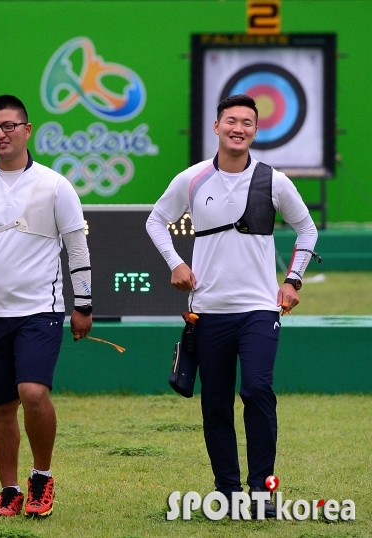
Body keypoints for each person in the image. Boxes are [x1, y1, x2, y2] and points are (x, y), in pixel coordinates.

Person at [146, 94, 318, 517]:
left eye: (247, 123)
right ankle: (228, 492)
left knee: (258, 390)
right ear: (216, 127)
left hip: (260, 308)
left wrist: (293, 281)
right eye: (231, 121)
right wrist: (176, 262)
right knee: (215, 403)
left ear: (256, 131)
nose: (238, 128)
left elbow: (307, 229)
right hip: (207, 310)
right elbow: (155, 220)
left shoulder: (274, 181)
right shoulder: (192, 178)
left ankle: (263, 491)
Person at [0, 94, 93, 518]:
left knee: (32, 392)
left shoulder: (54, 184)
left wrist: (83, 304)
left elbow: (77, 246)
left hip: (39, 311)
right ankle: (10, 490)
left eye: (10, 126)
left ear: (27, 130)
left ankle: (42, 478)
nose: (1, 134)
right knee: (0, 405)